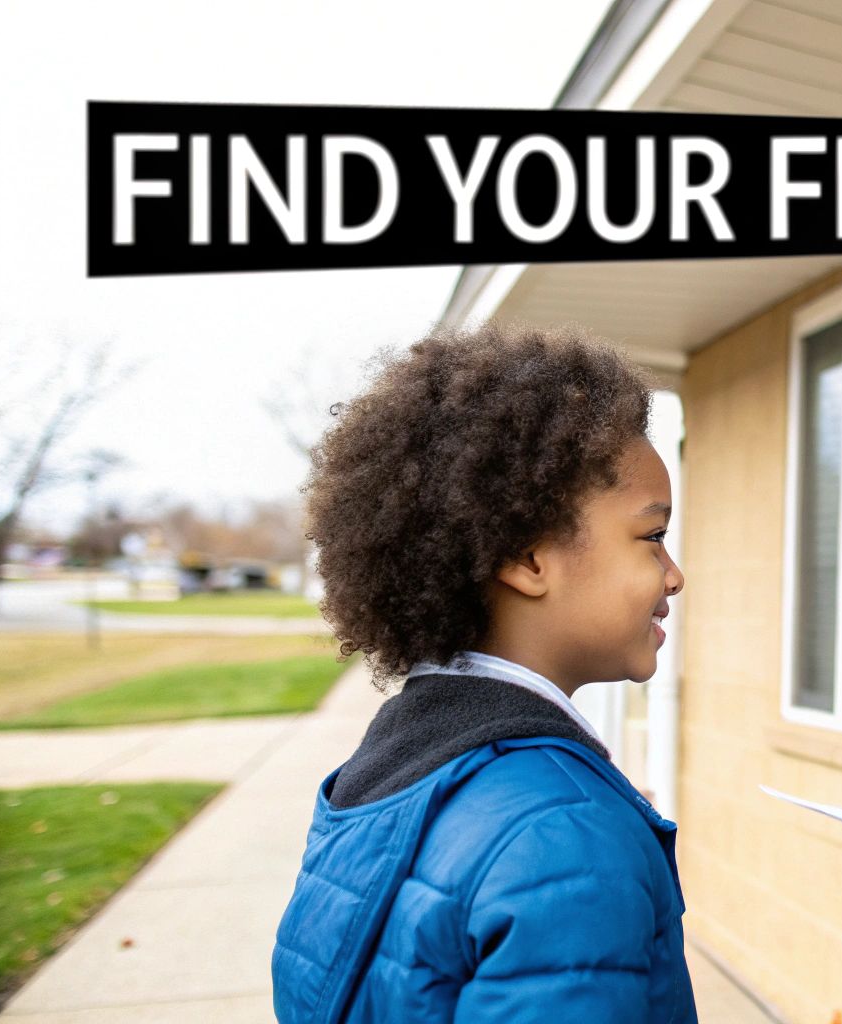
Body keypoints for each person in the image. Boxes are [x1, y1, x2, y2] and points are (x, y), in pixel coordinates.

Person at [269, 326, 697, 1023]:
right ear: (527, 558)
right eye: (651, 536)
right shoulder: (567, 834)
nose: (674, 576)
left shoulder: (375, 776)